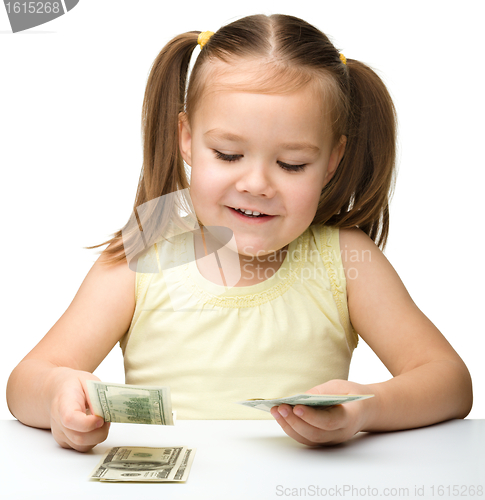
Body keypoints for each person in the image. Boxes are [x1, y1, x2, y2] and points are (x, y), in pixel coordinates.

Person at [6, 13, 472, 452]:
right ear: (188, 138)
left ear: (333, 160)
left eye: (292, 164)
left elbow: (450, 382)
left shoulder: (347, 259)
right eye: (228, 154)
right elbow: (24, 381)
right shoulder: (150, 243)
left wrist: (365, 406)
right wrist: (57, 393)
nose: (256, 184)